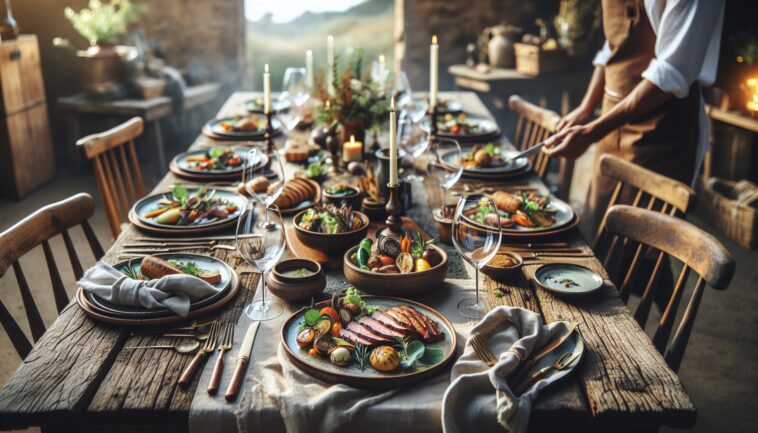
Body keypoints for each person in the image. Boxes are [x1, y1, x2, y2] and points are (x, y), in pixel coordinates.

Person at [543, 0, 725, 238]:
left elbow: (672, 71)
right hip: (609, 123)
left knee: (640, 251)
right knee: (599, 233)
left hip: (659, 132)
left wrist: (592, 131)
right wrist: (586, 108)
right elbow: (613, 47)